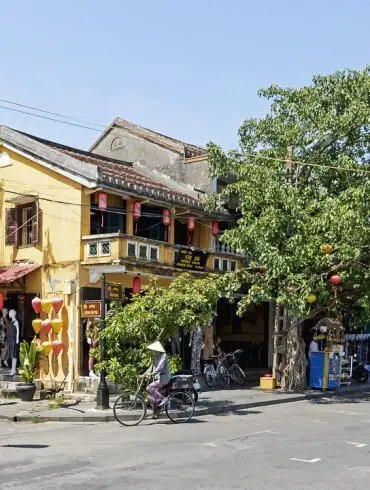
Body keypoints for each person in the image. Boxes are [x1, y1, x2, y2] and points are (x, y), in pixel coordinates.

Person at [144, 341, 171, 417]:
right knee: (152, 397)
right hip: (158, 378)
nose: (153, 351)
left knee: (148, 388)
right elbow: (151, 367)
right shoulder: (156, 357)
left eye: (154, 350)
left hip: (164, 378)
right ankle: (155, 414)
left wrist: (152, 374)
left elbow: (159, 368)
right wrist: (143, 375)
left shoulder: (163, 356)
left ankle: (164, 399)